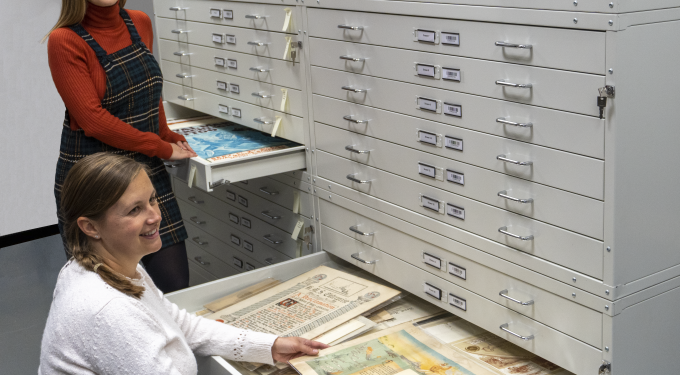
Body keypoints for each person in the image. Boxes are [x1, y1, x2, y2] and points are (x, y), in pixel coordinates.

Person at [39, 153, 329, 374]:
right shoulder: (108, 311)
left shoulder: (108, 265)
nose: (154, 216)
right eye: (134, 210)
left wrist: (269, 346)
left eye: (152, 200)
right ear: (90, 227)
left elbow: (179, 324)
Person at [46, 0, 197, 293]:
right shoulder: (64, 40)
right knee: (107, 291)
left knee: (174, 284)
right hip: (95, 175)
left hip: (142, 166)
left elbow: (151, 91)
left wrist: (165, 134)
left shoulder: (139, 22)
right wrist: (160, 147)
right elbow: (93, 120)